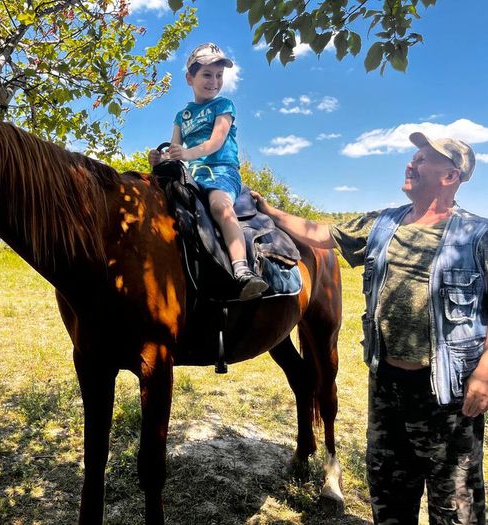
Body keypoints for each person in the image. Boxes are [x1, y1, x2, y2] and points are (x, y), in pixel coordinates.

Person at [252, 133, 487, 524]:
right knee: (388, 496)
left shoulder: (476, 235)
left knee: (455, 507)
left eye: (422, 159)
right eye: (413, 156)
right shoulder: (384, 224)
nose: (411, 163)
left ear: (450, 175)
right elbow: (320, 233)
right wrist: (271, 211)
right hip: (386, 386)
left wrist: (483, 371)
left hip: (447, 395)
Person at [148, 42, 268, 301]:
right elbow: (175, 148)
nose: (214, 81)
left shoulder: (223, 105)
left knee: (219, 207)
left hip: (222, 172)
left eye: (219, 75)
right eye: (206, 75)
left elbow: (216, 142)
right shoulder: (183, 115)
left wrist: (187, 154)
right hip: (192, 175)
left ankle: (241, 270)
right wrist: (160, 159)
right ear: (190, 78)